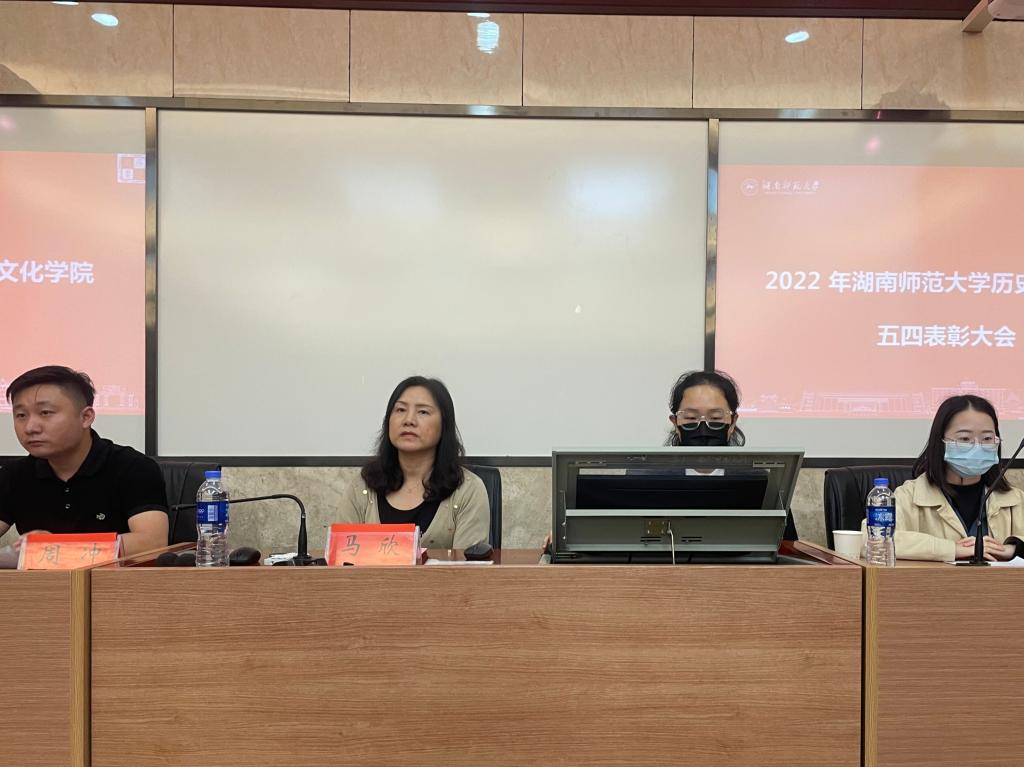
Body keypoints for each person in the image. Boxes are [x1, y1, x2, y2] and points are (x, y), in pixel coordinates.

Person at [0, 365, 168, 556]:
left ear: (86, 417)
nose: (30, 427)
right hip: (39, 577)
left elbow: (152, 542)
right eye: (21, 415)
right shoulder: (14, 475)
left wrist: (57, 547)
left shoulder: (133, 467)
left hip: (115, 576)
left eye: (45, 413)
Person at [338, 376, 489, 549]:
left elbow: (467, 565)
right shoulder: (363, 487)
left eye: (423, 412)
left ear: (444, 425)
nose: (409, 420)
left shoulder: (468, 491)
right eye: (400, 410)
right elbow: (342, 556)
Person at [888, 394, 1024, 562]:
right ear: (941, 442)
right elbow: (873, 539)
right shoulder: (909, 496)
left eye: (987, 439)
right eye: (964, 439)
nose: (977, 447)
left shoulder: (1015, 499)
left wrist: (1015, 548)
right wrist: (952, 549)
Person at [666, 370, 798, 540]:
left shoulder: (764, 484)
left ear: (732, 423)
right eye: (691, 418)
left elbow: (787, 545)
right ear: (676, 423)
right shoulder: (649, 478)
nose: (703, 428)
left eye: (715, 418)